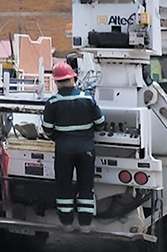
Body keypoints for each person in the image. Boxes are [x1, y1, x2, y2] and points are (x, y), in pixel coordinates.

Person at [42, 62, 104, 232]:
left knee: (64, 186)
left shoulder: (53, 102)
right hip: (86, 151)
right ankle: (85, 224)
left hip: (63, 151)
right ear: (73, 78)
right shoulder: (87, 99)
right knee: (86, 186)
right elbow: (100, 123)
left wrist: (58, 137)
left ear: (56, 82)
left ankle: (66, 223)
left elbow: (47, 129)